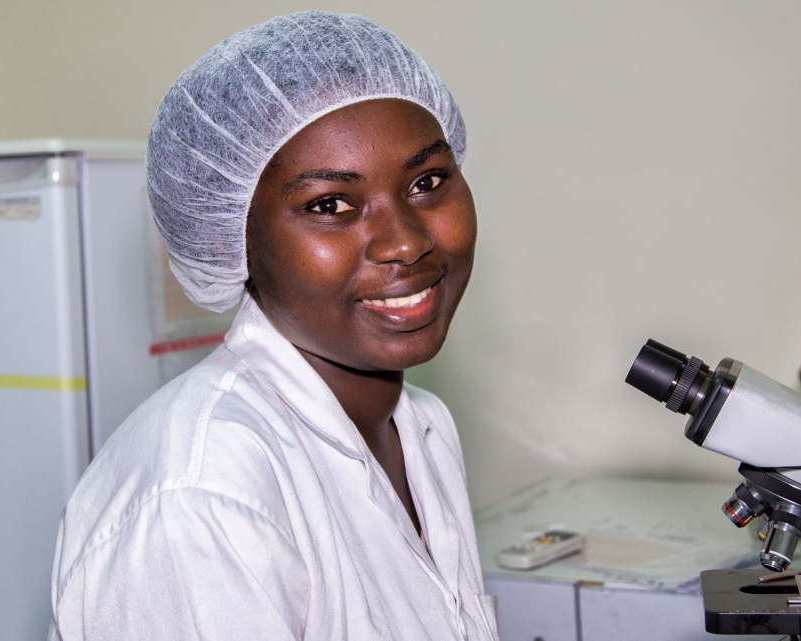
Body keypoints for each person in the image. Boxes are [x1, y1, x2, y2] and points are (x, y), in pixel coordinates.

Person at [48, 12, 497, 641]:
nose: (405, 242)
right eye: (330, 206)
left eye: (427, 182)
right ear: (231, 237)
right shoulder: (202, 497)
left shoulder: (422, 427)